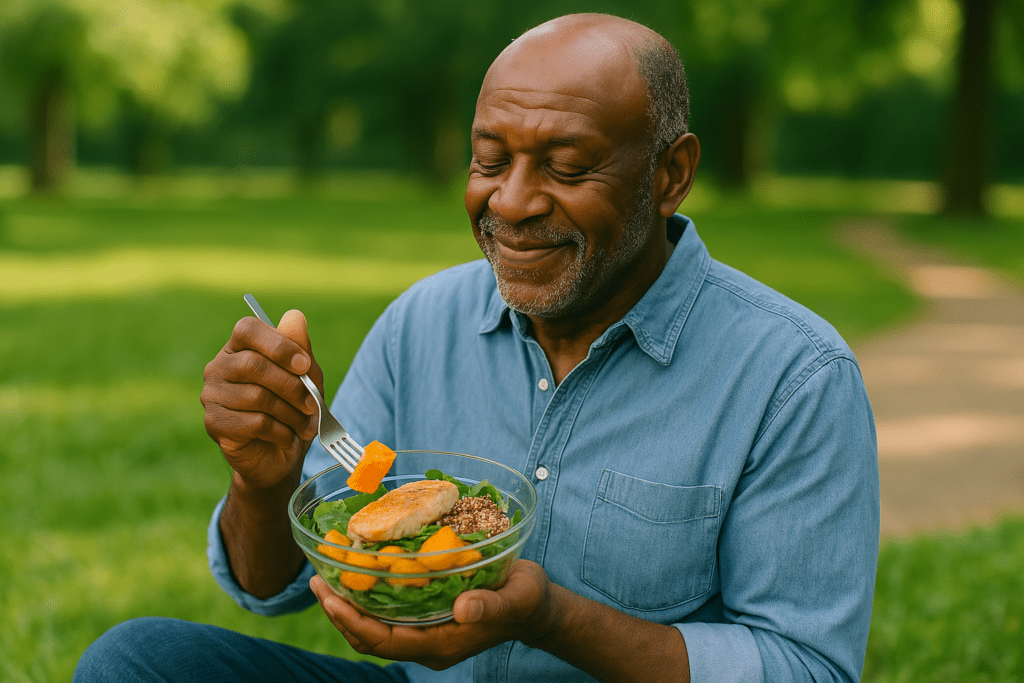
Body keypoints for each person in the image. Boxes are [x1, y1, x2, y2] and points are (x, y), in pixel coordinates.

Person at [75, 12, 879, 683]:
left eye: (566, 166)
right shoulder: (424, 321)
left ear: (671, 174)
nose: (514, 201)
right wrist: (266, 477)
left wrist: (549, 616)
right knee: (136, 660)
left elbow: (805, 665)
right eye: (490, 160)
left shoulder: (793, 376)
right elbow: (273, 583)